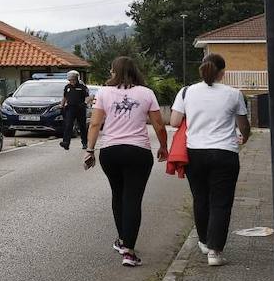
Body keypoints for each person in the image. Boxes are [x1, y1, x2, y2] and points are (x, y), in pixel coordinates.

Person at [84, 56, 168, 267]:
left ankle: (122, 240)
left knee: (118, 194)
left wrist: (90, 150)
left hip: (110, 152)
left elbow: (95, 124)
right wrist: (164, 147)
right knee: (133, 198)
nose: (111, 73)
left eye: (112, 70)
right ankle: (128, 251)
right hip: (138, 152)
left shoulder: (103, 92)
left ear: (115, 71)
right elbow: (158, 125)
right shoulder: (147, 93)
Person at [170, 53, 251, 267]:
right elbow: (243, 125)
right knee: (221, 202)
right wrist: (246, 136)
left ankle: (205, 242)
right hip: (225, 153)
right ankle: (215, 252)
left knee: (201, 198)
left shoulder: (186, 92)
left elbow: (175, 121)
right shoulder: (234, 94)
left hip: (195, 152)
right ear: (222, 72)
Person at [60, 70, 90, 150]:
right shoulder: (67, 87)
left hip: (80, 108)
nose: (72, 81)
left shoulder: (82, 87)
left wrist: (85, 103)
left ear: (77, 79)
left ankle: (85, 143)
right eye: (70, 80)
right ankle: (66, 143)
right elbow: (64, 97)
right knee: (68, 125)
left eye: (73, 80)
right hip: (70, 108)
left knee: (82, 126)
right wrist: (61, 105)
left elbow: (87, 97)